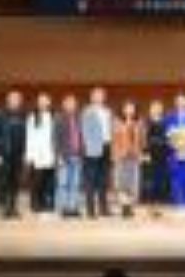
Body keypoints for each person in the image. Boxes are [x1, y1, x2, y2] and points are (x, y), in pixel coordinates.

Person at [0, 90, 27, 219]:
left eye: (18, 99)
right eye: (13, 98)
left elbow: (26, 136)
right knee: (3, 181)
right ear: (8, 100)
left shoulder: (23, 115)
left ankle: (13, 207)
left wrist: (24, 152)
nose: (15, 101)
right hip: (3, 154)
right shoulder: (0, 114)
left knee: (15, 182)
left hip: (18, 155)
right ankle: (3, 208)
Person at [81, 87, 113, 218]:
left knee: (103, 179)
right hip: (92, 148)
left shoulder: (107, 111)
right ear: (92, 97)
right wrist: (88, 147)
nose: (99, 97)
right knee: (90, 179)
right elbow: (84, 131)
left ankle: (103, 209)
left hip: (106, 146)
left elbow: (110, 129)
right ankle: (90, 210)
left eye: (101, 95)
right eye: (97, 95)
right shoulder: (87, 111)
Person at [26, 93, 57, 217]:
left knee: (48, 181)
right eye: (41, 101)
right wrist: (30, 155)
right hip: (37, 153)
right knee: (37, 181)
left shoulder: (53, 116)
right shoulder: (32, 117)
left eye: (45, 101)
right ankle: (35, 203)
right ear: (38, 103)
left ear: (49, 103)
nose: (43, 103)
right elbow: (29, 137)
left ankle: (46, 203)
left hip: (50, 153)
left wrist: (55, 152)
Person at [113, 101, 143, 218]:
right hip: (121, 156)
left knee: (132, 182)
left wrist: (140, 154)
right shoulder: (117, 123)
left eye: (131, 108)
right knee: (122, 182)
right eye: (127, 108)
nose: (129, 110)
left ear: (134, 110)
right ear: (123, 109)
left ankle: (130, 206)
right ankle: (124, 206)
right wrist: (115, 154)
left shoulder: (138, 123)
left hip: (134, 156)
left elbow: (141, 140)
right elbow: (114, 140)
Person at [54, 94, 83, 218]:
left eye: (73, 103)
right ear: (64, 105)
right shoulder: (59, 118)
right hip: (64, 156)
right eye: (69, 103)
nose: (71, 105)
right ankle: (63, 208)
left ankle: (73, 208)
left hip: (77, 155)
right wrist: (59, 156)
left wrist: (82, 153)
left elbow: (81, 137)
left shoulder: (79, 118)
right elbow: (55, 139)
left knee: (75, 184)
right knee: (63, 183)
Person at [141, 100, 170, 217]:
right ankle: (150, 206)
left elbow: (168, 138)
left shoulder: (165, 122)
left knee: (161, 180)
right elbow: (144, 139)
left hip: (162, 155)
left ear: (161, 110)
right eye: (154, 107)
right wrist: (145, 153)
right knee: (149, 181)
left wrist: (165, 145)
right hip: (150, 155)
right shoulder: (146, 122)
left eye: (158, 108)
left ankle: (160, 206)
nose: (156, 110)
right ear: (150, 109)